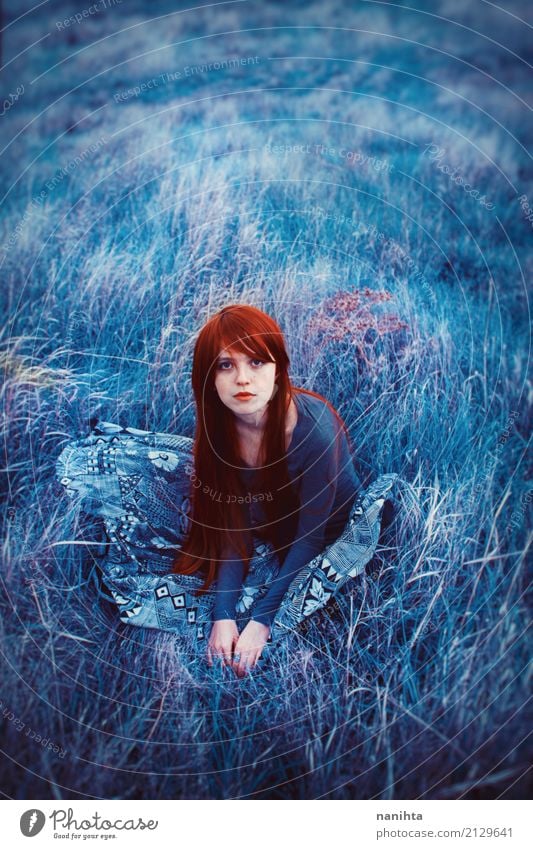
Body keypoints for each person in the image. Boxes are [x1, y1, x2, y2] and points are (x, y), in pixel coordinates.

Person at [56, 304, 402, 679]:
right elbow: (232, 524)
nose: (242, 380)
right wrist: (222, 615)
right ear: (208, 377)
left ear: (278, 369)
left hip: (315, 536)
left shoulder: (314, 432)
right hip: (264, 516)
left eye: (256, 363)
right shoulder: (222, 428)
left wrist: (261, 621)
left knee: (264, 593)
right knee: (146, 478)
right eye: (226, 365)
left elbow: (309, 538)